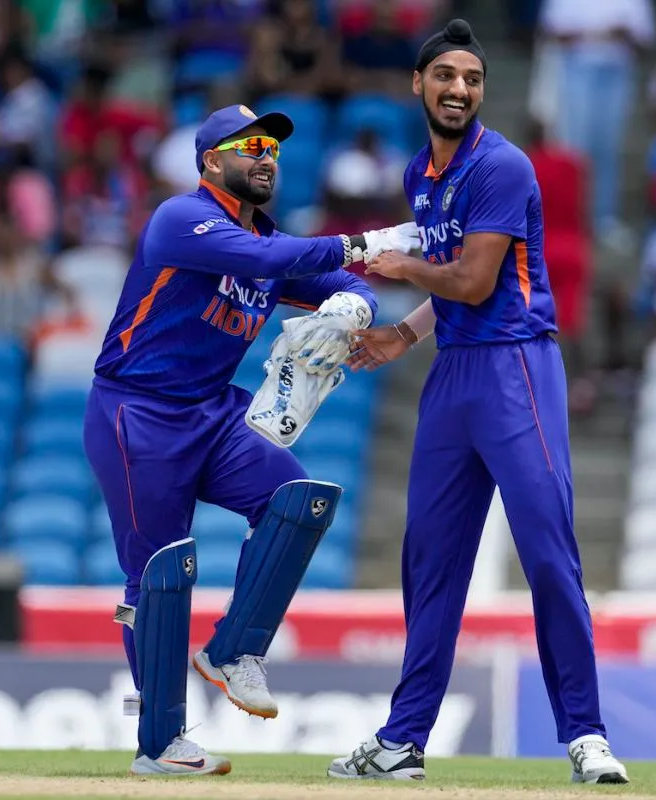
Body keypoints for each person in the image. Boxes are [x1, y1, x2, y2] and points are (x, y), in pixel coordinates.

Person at [324, 19, 628, 786]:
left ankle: (586, 735)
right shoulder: (418, 177)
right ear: (418, 85)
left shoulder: (503, 166)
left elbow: (474, 282)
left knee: (547, 551)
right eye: (446, 77)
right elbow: (448, 290)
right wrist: (404, 334)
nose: (460, 89)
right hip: (455, 371)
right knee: (431, 561)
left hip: (516, 368)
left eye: (473, 79)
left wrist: (400, 267)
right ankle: (403, 740)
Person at [83, 103, 420, 776]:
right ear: (212, 161)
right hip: (138, 413)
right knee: (159, 572)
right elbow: (268, 255)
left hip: (210, 415)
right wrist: (366, 242)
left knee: (300, 498)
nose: (266, 155)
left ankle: (235, 650)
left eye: (273, 146)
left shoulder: (272, 245)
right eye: (250, 146)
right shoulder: (181, 219)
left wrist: (354, 303)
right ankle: (160, 744)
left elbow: (333, 281)